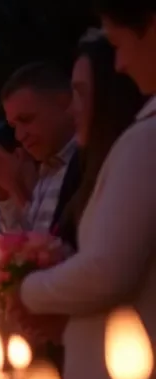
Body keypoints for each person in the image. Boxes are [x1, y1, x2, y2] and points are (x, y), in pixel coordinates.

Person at [20, 0, 156, 379]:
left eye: (119, 44)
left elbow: (105, 272)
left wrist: (23, 290)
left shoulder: (145, 141)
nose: (119, 64)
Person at [0, 63, 82, 236]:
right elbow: (29, 252)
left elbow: (55, 249)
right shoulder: (50, 168)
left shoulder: (88, 162)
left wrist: (14, 186)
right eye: (14, 126)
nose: (19, 136)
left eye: (26, 119)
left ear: (64, 103)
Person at [58, 31, 144, 236]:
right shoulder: (93, 172)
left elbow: (103, 265)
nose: (70, 110)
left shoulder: (140, 162)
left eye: (80, 93)